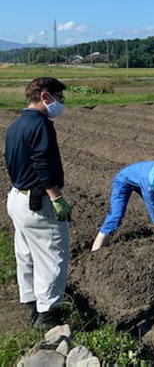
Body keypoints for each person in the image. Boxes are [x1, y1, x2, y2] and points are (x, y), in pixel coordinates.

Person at [4, 77, 72, 329]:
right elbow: (41, 164)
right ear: (44, 96)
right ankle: (48, 316)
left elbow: (11, 161)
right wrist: (56, 197)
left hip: (17, 197)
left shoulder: (16, 124)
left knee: (26, 254)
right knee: (53, 254)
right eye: (58, 96)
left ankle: (31, 307)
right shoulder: (41, 125)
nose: (61, 102)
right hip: (38, 202)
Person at [91, 162, 154, 251]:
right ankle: (97, 249)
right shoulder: (149, 179)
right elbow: (150, 202)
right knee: (116, 215)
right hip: (123, 181)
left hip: (143, 178)